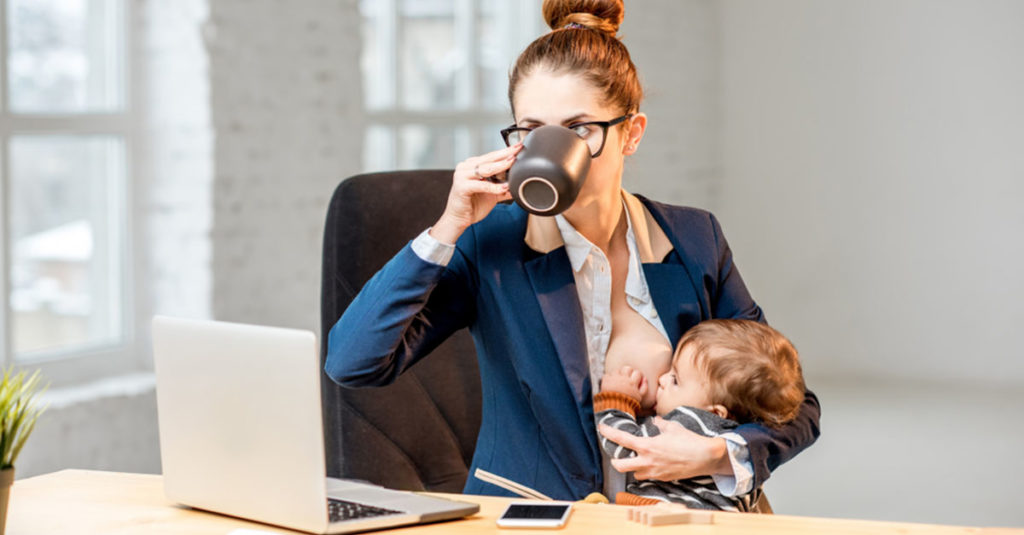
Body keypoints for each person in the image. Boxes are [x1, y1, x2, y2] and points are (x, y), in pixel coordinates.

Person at [325, 0, 820, 501]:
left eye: (579, 128)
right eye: (534, 130)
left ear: (631, 133)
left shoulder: (693, 240)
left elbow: (794, 405)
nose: (554, 149)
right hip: (534, 517)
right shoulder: (492, 245)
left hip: (676, 518)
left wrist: (718, 452)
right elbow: (353, 362)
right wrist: (447, 228)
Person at [595, 319, 805, 510]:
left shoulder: (691, 422)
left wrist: (618, 400)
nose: (662, 379)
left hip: (666, 517)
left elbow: (628, 446)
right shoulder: (734, 434)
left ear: (714, 412)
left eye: (676, 379)